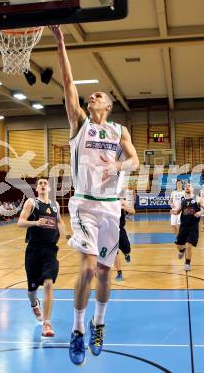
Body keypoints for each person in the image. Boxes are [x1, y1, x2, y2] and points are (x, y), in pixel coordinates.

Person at [50, 25, 139, 365]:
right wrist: (60, 41)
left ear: (110, 105)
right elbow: (69, 85)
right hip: (84, 205)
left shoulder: (119, 130)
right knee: (86, 269)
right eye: (92, 95)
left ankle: (98, 324)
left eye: (99, 95)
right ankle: (76, 330)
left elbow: (133, 159)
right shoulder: (80, 123)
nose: (93, 97)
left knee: (103, 272)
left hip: (111, 209)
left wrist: (119, 168)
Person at [18, 177, 70, 337]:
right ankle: (34, 304)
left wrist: (68, 235)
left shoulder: (55, 205)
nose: (42, 185)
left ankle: (47, 324)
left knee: (48, 283)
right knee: (32, 290)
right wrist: (35, 223)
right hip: (33, 250)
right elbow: (20, 222)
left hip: (50, 250)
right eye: (39, 183)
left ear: (49, 188)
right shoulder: (31, 203)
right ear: (36, 188)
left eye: (45, 183)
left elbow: (60, 222)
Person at [171, 182, 204, 271]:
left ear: (193, 188)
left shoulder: (198, 199)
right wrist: (173, 212)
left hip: (193, 226)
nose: (187, 187)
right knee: (178, 245)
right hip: (183, 226)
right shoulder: (183, 200)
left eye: (189, 186)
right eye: (185, 186)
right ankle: (182, 251)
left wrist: (200, 212)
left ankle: (187, 263)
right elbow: (178, 211)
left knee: (189, 245)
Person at [114, 198, 135, 282]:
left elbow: (133, 211)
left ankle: (126, 254)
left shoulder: (120, 201)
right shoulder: (104, 201)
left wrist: (122, 207)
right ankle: (119, 273)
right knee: (114, 252)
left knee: (127, 248)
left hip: (120, 229)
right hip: (109, 230)